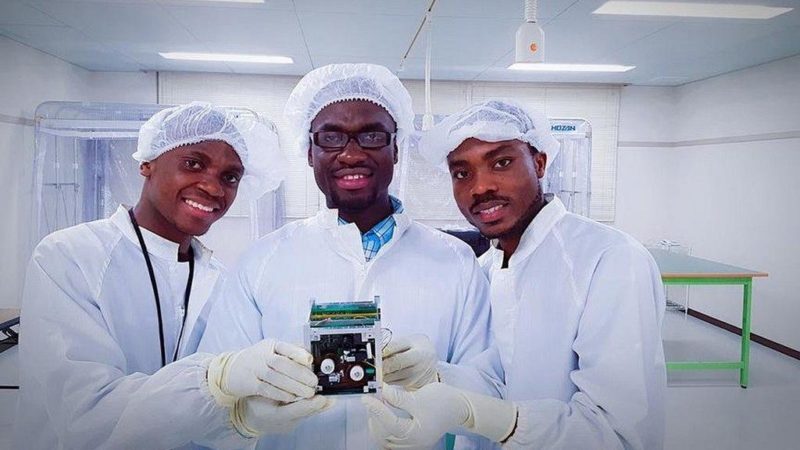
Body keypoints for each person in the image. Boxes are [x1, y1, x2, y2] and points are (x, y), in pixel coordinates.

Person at [198, 64, 501, 450]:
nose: (352, 154)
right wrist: (244, 416)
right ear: (309, 151)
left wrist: (438, 376)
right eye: (332, 137)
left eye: (372, 135)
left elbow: (491, 397)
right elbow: (209, 394)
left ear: (396, 147)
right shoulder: (261, 261)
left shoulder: (457, 262)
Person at [14, 102, 330, 450]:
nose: (213, 188)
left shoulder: (219, 280)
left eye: (230, 177)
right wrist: (213, 381)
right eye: (193, 163)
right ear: (147, 162)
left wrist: (241, 420)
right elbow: (85, 418)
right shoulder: (70, 256)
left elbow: (208, 418)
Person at [363, 99, 667, 449]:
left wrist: (498, 421)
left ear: (539, 163)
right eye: (462, 173)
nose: (480, 187)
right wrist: (431, 375)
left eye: (501, 162)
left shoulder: (610, 261)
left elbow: (620, 433)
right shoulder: (489, 268)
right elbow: (496, 379)